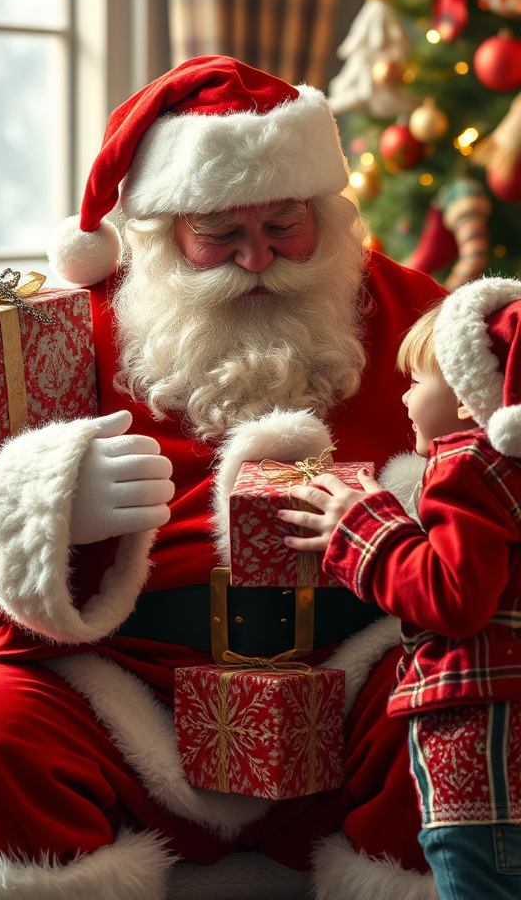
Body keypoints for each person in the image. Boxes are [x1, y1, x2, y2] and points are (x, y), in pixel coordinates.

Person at [0, 55, 446, 899]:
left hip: (356, 673)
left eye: (286, 225)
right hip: (117, 675)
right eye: (219, 233)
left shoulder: (422, 322)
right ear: (160, 231)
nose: (257, 258)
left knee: (474, 709)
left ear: (326, 211)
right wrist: (45, 502)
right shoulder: (55, 332)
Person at [280, 276, 521, 900]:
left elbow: (455, 598)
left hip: (489, 772)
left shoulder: (466, 465)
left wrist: (360, 525)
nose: (405, 397)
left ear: (470, 399)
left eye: (417, 381)